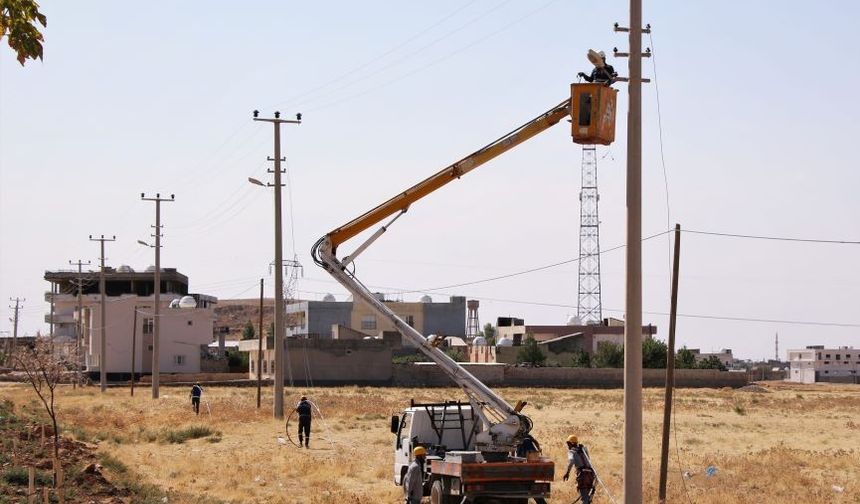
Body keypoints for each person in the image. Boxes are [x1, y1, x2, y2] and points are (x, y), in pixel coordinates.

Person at [562, 434, 596, 504]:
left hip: (583, 475)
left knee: (585, 498)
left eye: (568, 444)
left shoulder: (571, 452)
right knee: (587, 497)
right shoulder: (584, 450)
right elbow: (588, 459)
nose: (568, 446)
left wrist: (567, 473)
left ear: (570, 444)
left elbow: (571, 461)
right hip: (591, 474)